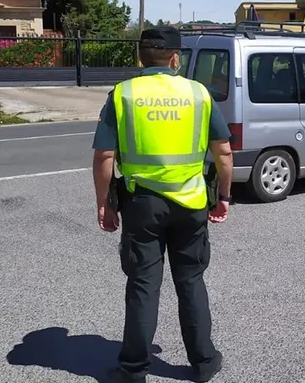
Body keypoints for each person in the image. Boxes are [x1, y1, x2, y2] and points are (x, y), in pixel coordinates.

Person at [91, 27, 234, 383]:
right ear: (175, 59)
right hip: (191, 203)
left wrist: (104, 203)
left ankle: (134, 370)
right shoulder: (199, 94)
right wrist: (225, 196)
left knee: (143, 284)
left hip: (142, 204)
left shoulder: (123, 95)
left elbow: (104, 155)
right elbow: (224, 153)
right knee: (190, 281)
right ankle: (203, 363)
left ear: (140, 58)